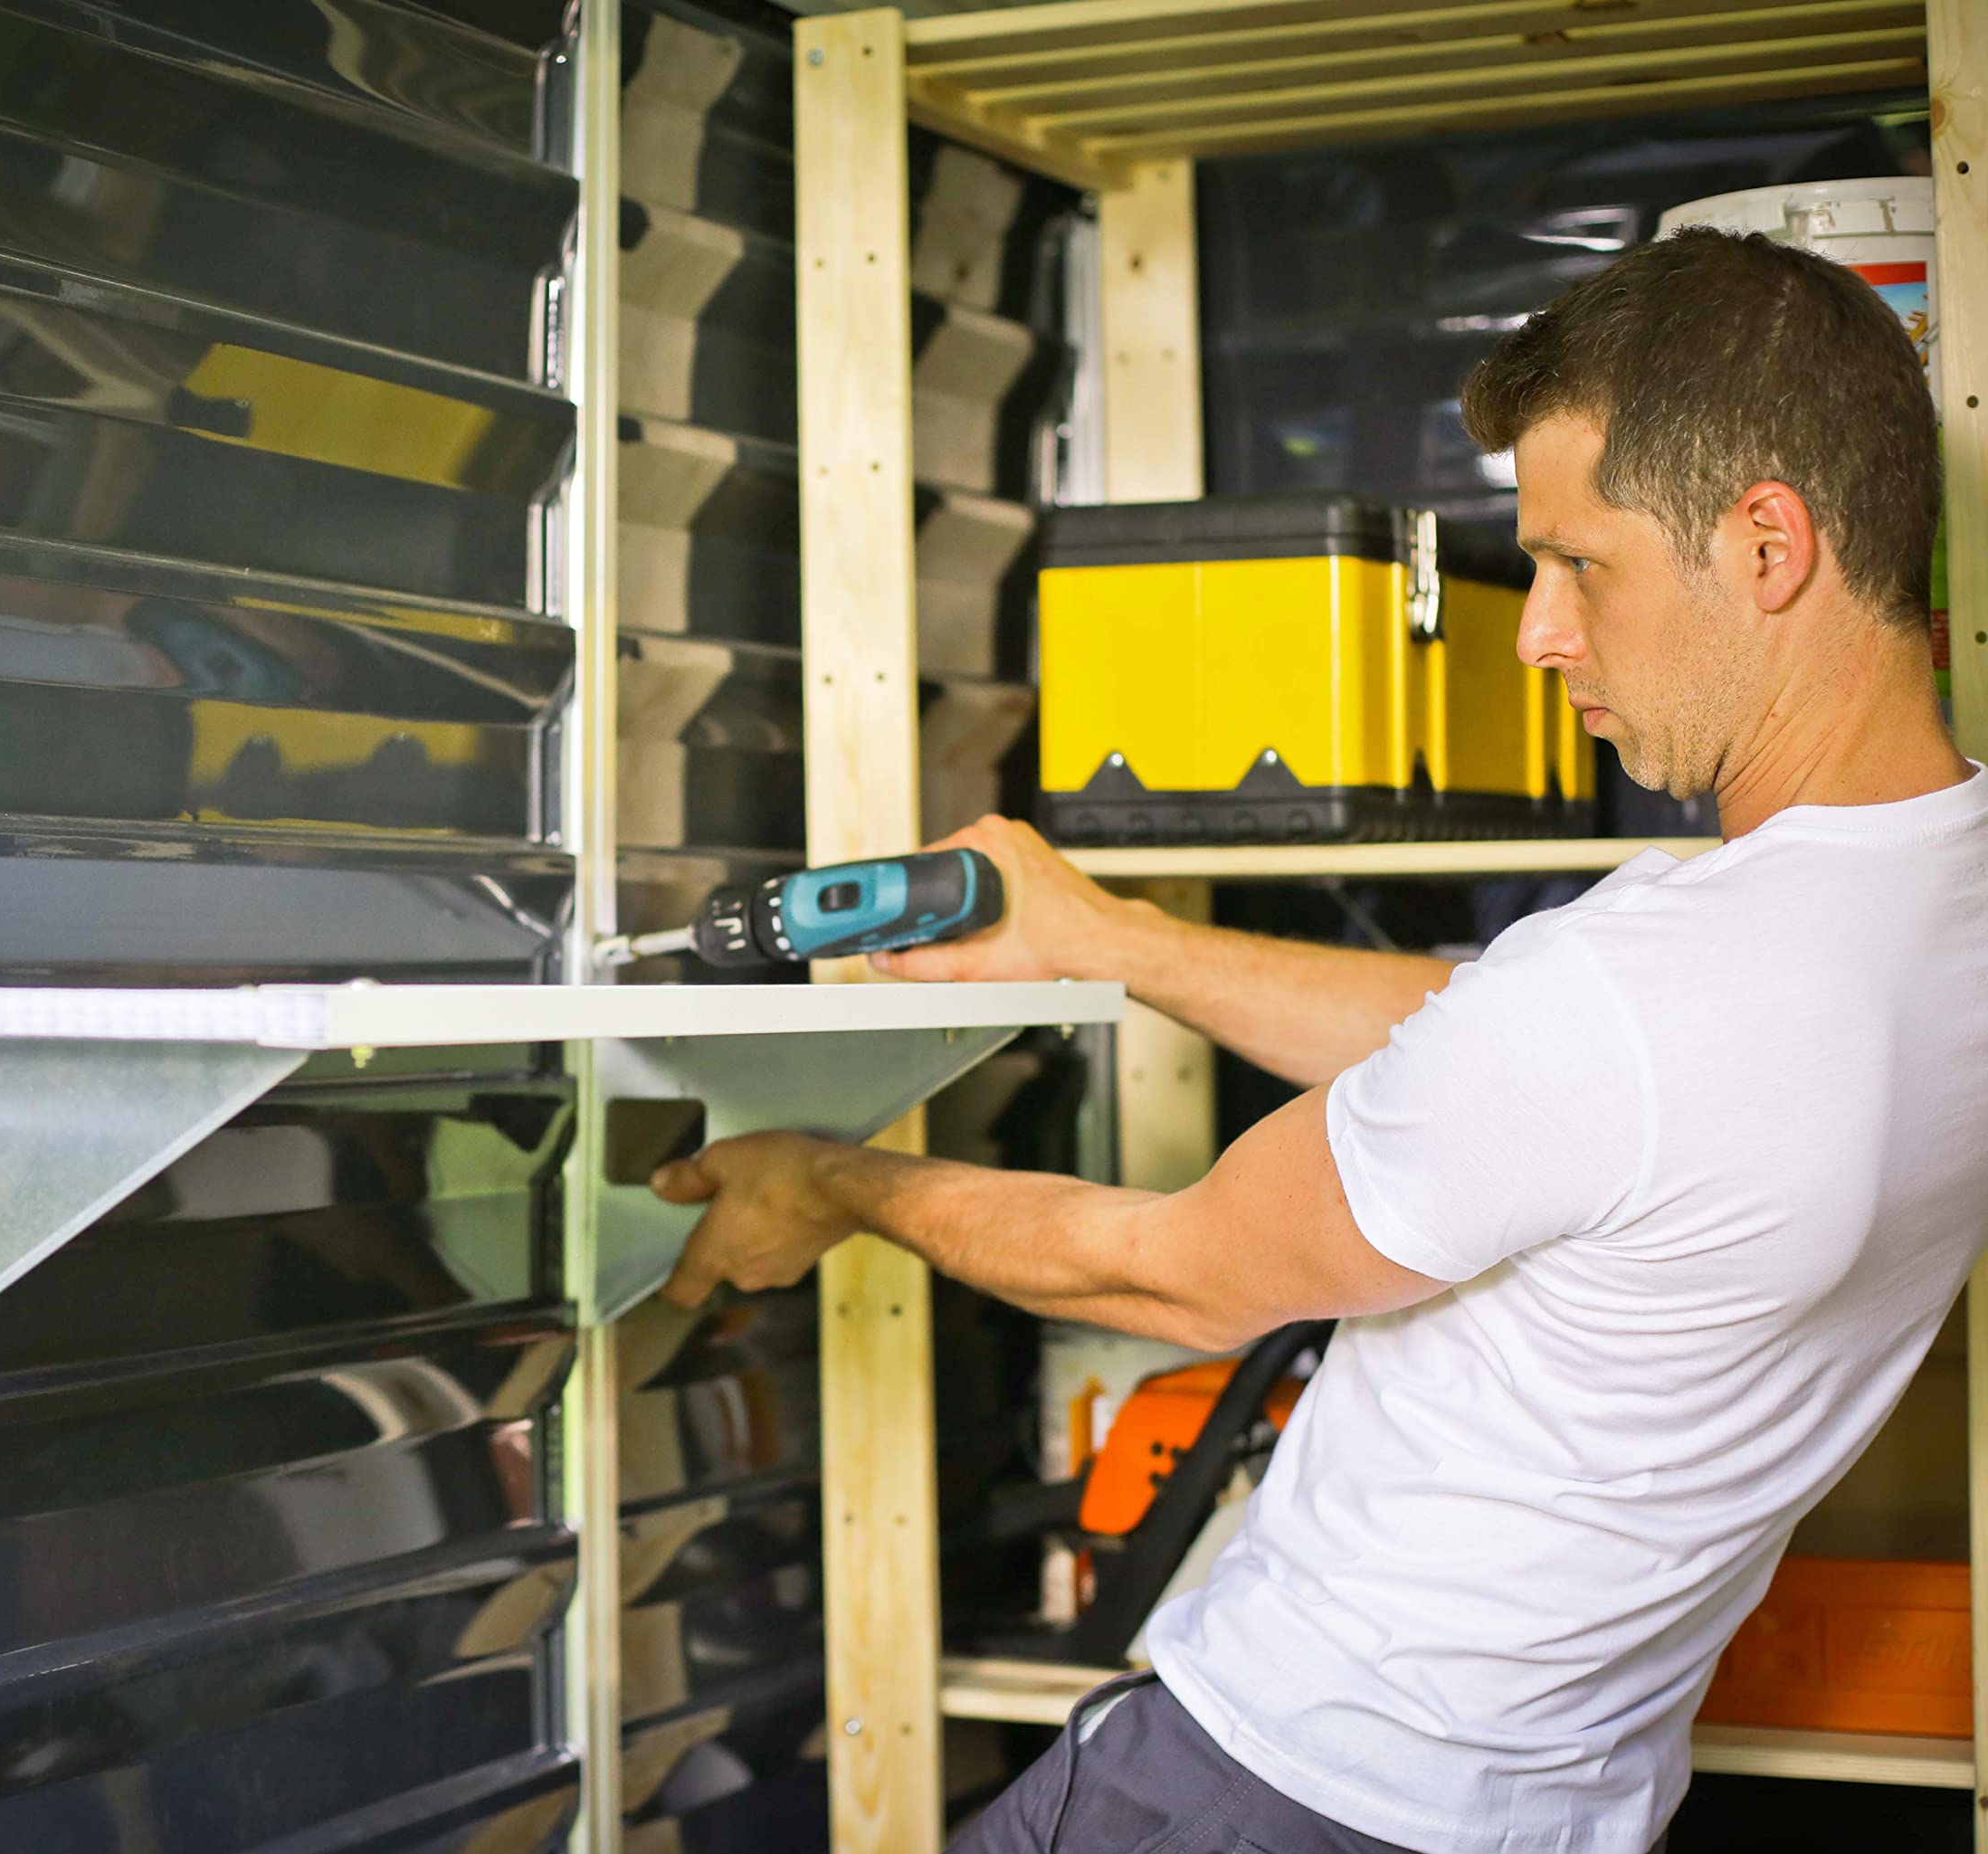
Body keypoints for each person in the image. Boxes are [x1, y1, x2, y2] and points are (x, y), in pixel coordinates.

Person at [648, 227, 1988, 1853]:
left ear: (1768, 543)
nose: (1537, 634)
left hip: (1274, 1789)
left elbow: (1175, 1271)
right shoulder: (1926, 911)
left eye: (1583, 564)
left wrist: (832, 1183)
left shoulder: (1639, 990)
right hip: (1563, 1813)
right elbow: (1507, 1062)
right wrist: (1111, 941)